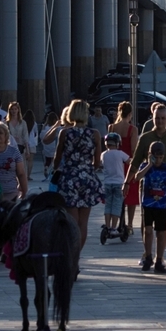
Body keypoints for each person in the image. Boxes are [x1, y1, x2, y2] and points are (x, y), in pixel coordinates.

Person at [125, 103, 166, 267]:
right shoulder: (145, 138)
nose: (160, 121)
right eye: (157, 118)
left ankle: (160, 257)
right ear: (153, 118)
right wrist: (126, 182)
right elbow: (135, 162)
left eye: (163, 118)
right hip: (148, 191)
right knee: (146, 224)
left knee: (164, 224)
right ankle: (147, 254)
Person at [55, 100, 103, 252]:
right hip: (87, 179)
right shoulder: (94, 134)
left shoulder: (65, 133)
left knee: (72, 222)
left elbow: (57, 158)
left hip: (69, 178)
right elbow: (97, 162)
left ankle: (69, 252)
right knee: (83, 223)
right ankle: (76, 255)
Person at [132, 141, 166, 273]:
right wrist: (149, 164)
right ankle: (148, 255)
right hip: (148, 204)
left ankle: (159, 259)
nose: (159, 160)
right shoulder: (146, 166)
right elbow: (137, 177)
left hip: (161, 205)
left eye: (161, 157)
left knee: (161, 232)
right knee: (148, 230)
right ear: (151, 155)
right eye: (156, 157)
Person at [109, 102, 139, 232]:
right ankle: (130, 224)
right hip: (127, 165)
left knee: (116, 195)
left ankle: (115, 222)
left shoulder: (112, 127)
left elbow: (109, 146)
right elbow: (133, 149)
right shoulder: (132, 129)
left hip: (115, 165)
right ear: (130, 114)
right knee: (131, 196)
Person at [100, 132, 129, 235]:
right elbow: (129, 161)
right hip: (118, 184)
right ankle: (113, 228)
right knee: (117, 205)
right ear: (117, 143)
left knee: (108, 205)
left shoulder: (103, 155)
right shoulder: (120, 153)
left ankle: (107, 226)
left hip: (107, 183)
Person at [5, 102, 31, 180]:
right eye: (12, 109)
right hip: (9, 148)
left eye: (15, 109)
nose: (13, 111)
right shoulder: (6, 123)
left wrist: (28, 150)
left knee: (22, 168)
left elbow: (25, 136)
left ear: (18, 110)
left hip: (20, 148)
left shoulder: (23, 123)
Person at [39, 111, 61, 181]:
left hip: (46, 146)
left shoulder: (45, 127)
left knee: (47, 160)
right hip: (54, 146)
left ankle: (46, 167)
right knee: (53, 161)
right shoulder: (57, 128)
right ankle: (52, 173)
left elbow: (41, 136)